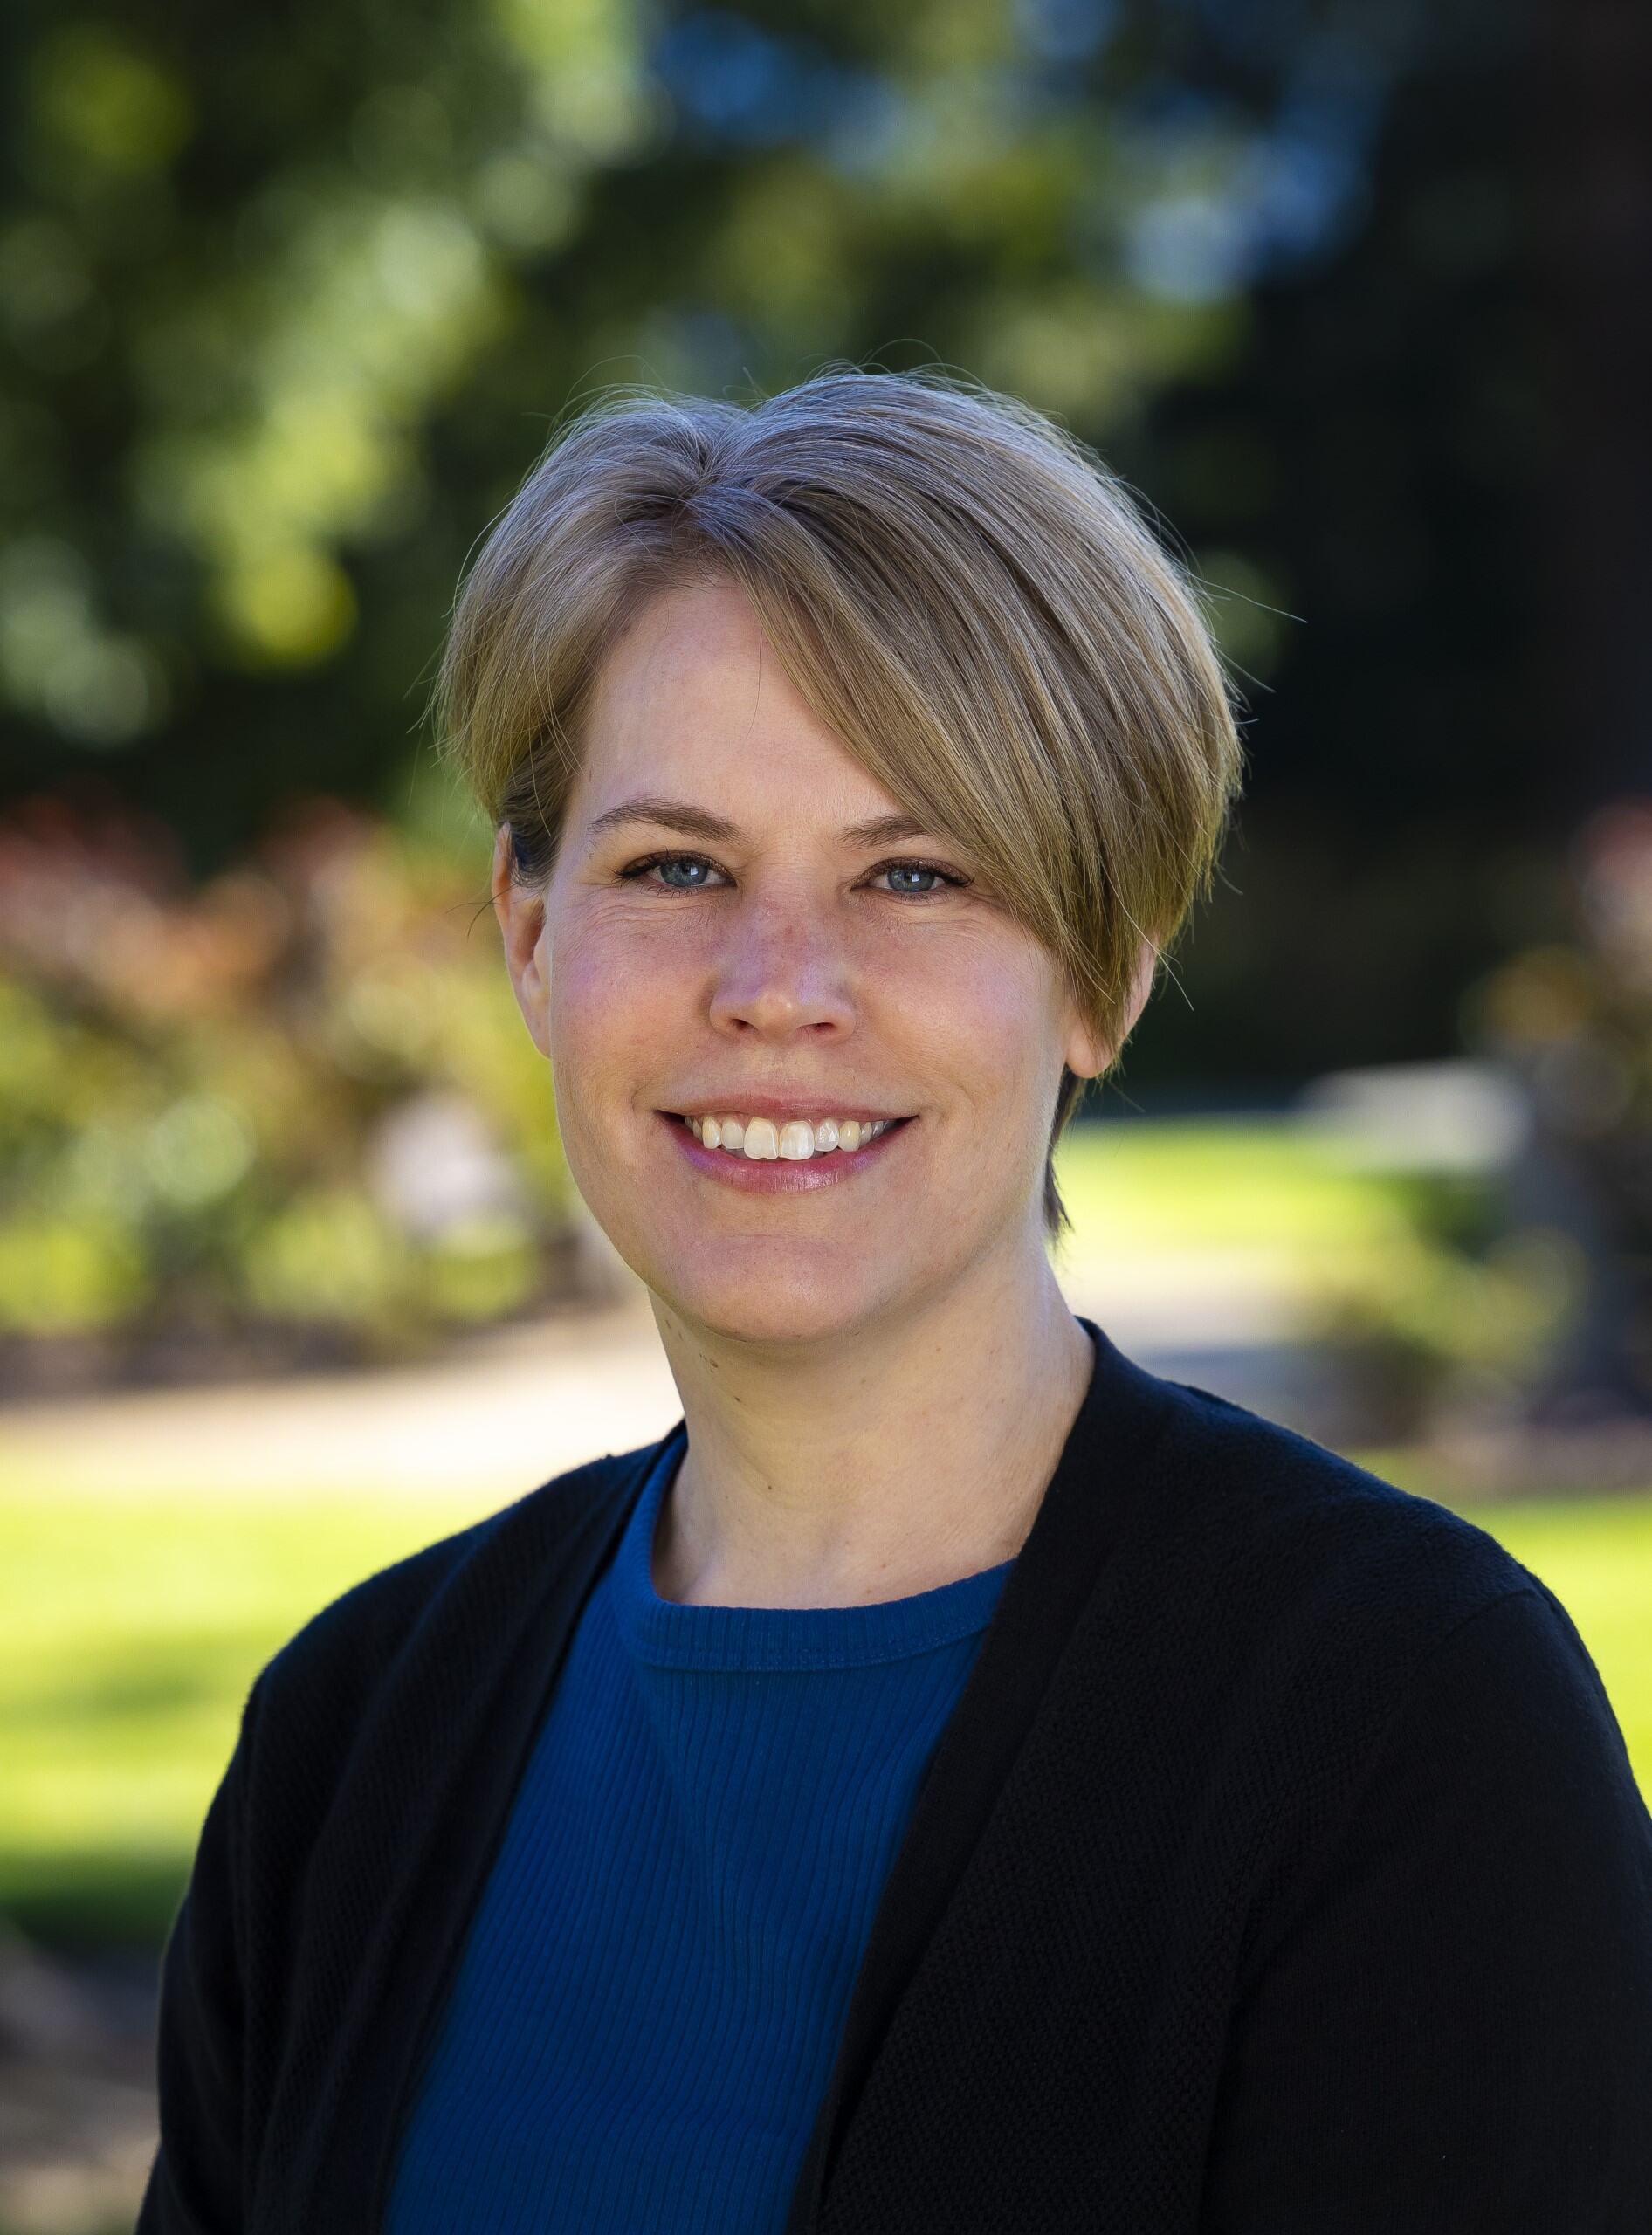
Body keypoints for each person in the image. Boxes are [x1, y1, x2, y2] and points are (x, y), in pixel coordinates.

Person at [137, 367, 1652, 2233]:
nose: (779, 984)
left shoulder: (1404, 1726)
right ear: (530, 937)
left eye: (916, 874)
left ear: (1103, 973)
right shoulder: (353, 1737)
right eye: (676, 865)